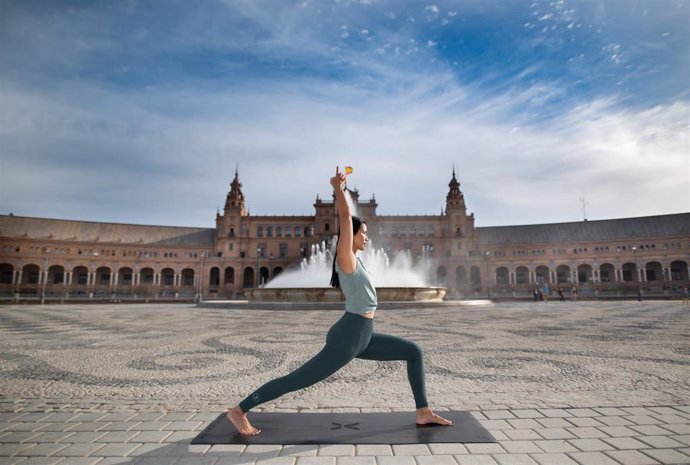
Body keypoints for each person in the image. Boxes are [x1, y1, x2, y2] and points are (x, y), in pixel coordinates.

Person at [226, 167, 454, 436]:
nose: (367, 237)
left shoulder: (357, 262)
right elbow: (346, 217)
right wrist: (339, 188)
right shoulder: (345, 259)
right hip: (350, 335)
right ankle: (239, 411)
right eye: (363, 233)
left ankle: (423, 412)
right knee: (298, 380)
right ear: (351, 235)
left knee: (413, 352)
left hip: (362, 334)